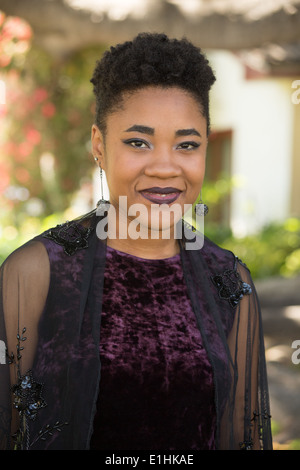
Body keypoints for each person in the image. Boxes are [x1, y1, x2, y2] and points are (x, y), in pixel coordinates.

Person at [0, 33, 272, 451]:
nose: (165, 167)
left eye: (187, 145)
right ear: (99, 146)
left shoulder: (230, 282)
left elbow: (243, 436)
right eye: (137, 142)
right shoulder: (36, 272)